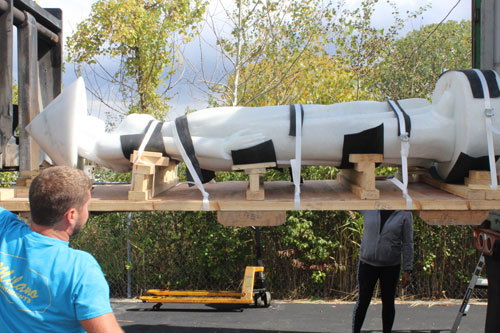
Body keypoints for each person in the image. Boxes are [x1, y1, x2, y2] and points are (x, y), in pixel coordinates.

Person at [27, 69, 500, 182]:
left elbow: (225, 151)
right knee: (346, 124)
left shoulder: (143, 134)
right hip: (269, 134)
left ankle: (434, 129)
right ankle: (436, 134)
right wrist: (233, 151)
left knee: (348, 117)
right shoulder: (139, 139)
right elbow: (229, 152)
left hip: (275, 128)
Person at [0, 166, 122, 332]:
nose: (87, 212)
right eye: (86, 206)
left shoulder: (5, 230)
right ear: (71, 215)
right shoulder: (80, 268)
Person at [352, 210, 414, 333]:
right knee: (363, 301)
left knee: (388, 302)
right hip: (367, 263)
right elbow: (349, 202)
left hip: (390, 266)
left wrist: (408, 269)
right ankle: (355, 331)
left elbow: (408, 243)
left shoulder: (404, 214)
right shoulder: (369, 207)